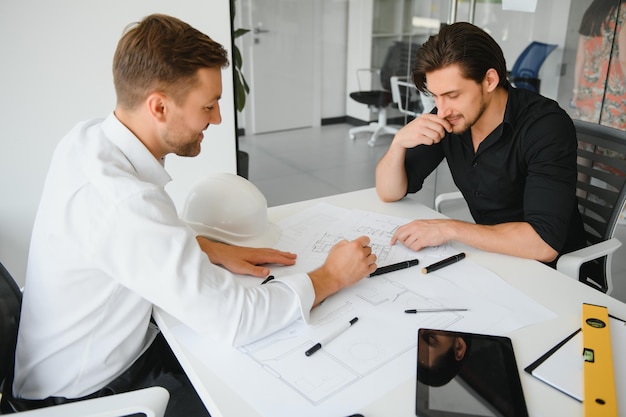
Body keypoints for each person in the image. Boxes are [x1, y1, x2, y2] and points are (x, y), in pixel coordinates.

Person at [9, 14, 377, 416]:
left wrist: (205, 247)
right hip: (90, 395)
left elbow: (117, 238)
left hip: (78, 359)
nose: (218, 118)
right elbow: (235, 319)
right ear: (159, 106)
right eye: (208, 105)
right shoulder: (126, 203)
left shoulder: (88, 138)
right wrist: (331, 276)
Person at [376, 22, 586, 266]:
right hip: (495, 257)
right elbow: (389, 192)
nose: (441, 110)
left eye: (453, 95)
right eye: (435, 96)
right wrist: (399, 142)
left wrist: (449, 228)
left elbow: (544, 244)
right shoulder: (450, 118)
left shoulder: (545, 127)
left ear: (489, 80)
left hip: (551, 272)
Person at [573, 0, 625, 130]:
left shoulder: (592, 12)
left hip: (587, 94)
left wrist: (576, 91)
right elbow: (624, 59)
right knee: (611, 144)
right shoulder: (623, 11)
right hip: (614, 97)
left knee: (586, 140)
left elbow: (580, 58)